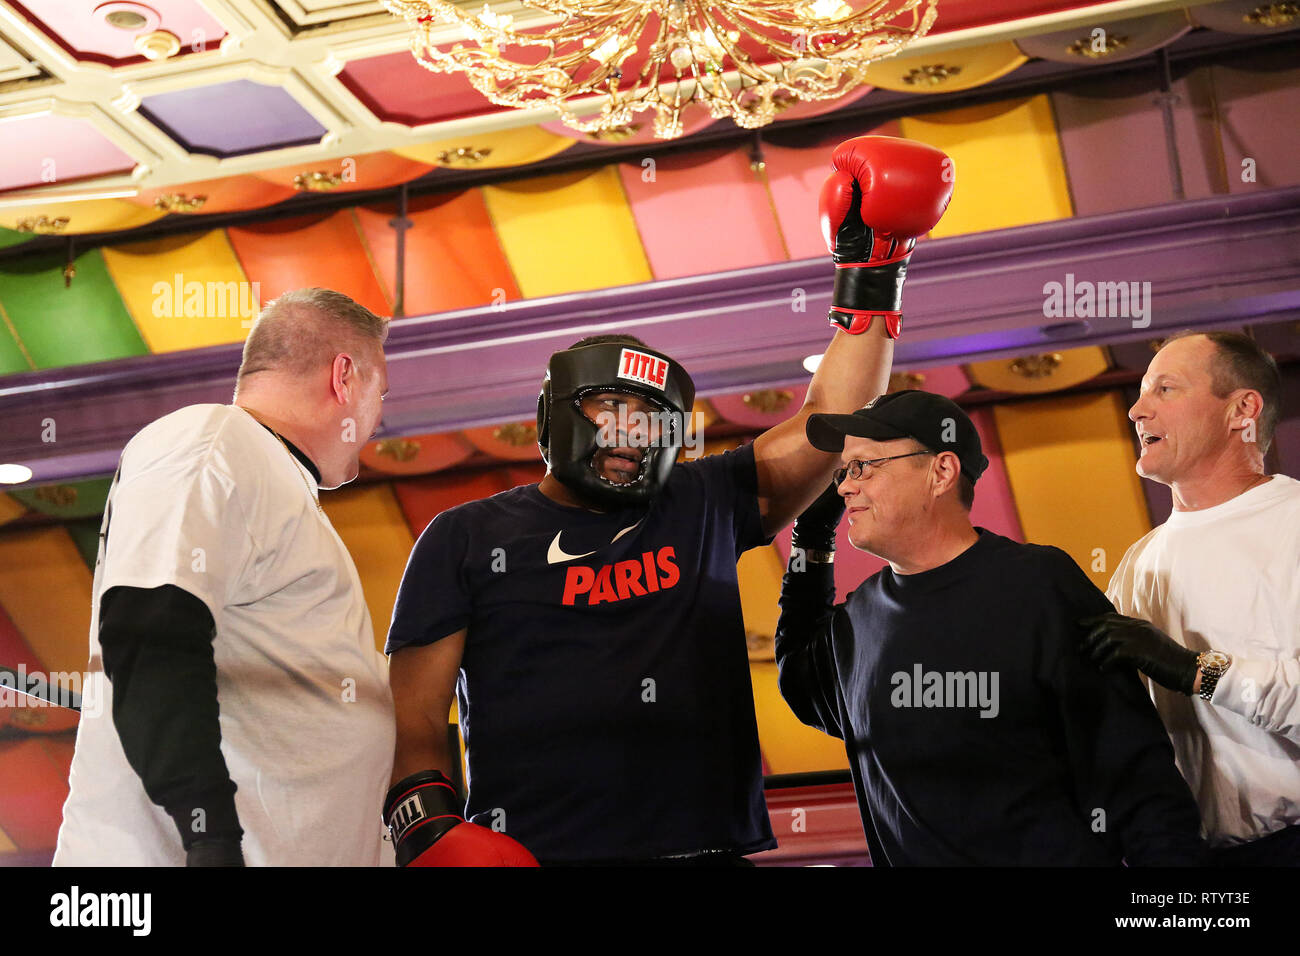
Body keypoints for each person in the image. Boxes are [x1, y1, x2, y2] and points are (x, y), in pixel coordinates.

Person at [382, 136, 955, 866]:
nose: (632, 431)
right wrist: (427, 826)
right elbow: (413, 715)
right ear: (555, 416)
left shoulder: (702, 499)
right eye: (610, 407)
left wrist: (873, 269)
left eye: (652, 417)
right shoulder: (464, 537)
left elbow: (834, 416)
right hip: (542, 856)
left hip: (706, 852)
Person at [774, 389, 1208, 865]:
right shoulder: (858, 618)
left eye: (863, 467)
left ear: (941, 472)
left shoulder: (1038, 584)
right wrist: (810, 541)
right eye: (843, 471)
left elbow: (1132, 767)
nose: (843, 488)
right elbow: (799, 679)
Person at [54, 288, 395, 866]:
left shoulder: (266, 474)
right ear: (344, 378)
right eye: (380, 393)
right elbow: (150, 628)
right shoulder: (215, 443)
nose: (379, 419)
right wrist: (209, 836)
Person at [1085, 331, 1299, 865]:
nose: (1136, 410)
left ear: (1242, 411)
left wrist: (1196, 671)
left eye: (1165, 389)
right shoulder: (1139, 562)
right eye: (1141, 392)